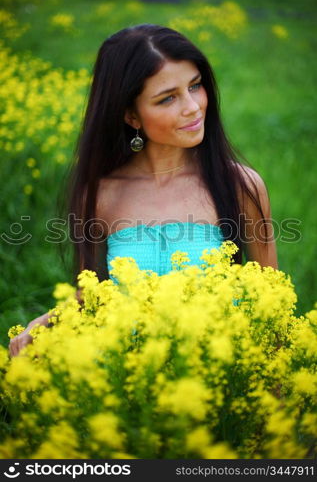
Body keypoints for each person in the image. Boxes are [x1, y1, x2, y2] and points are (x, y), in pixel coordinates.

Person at [9, 23, 278, 357]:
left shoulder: (240, 185)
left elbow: (271, 304)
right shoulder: (100, 195)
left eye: (195, 86)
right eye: (167, 98)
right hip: (132, 390)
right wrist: (48, 321)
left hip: (220, 385)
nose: (192, 107)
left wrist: (274, 402)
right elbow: (94, 296)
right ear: (131, 115)